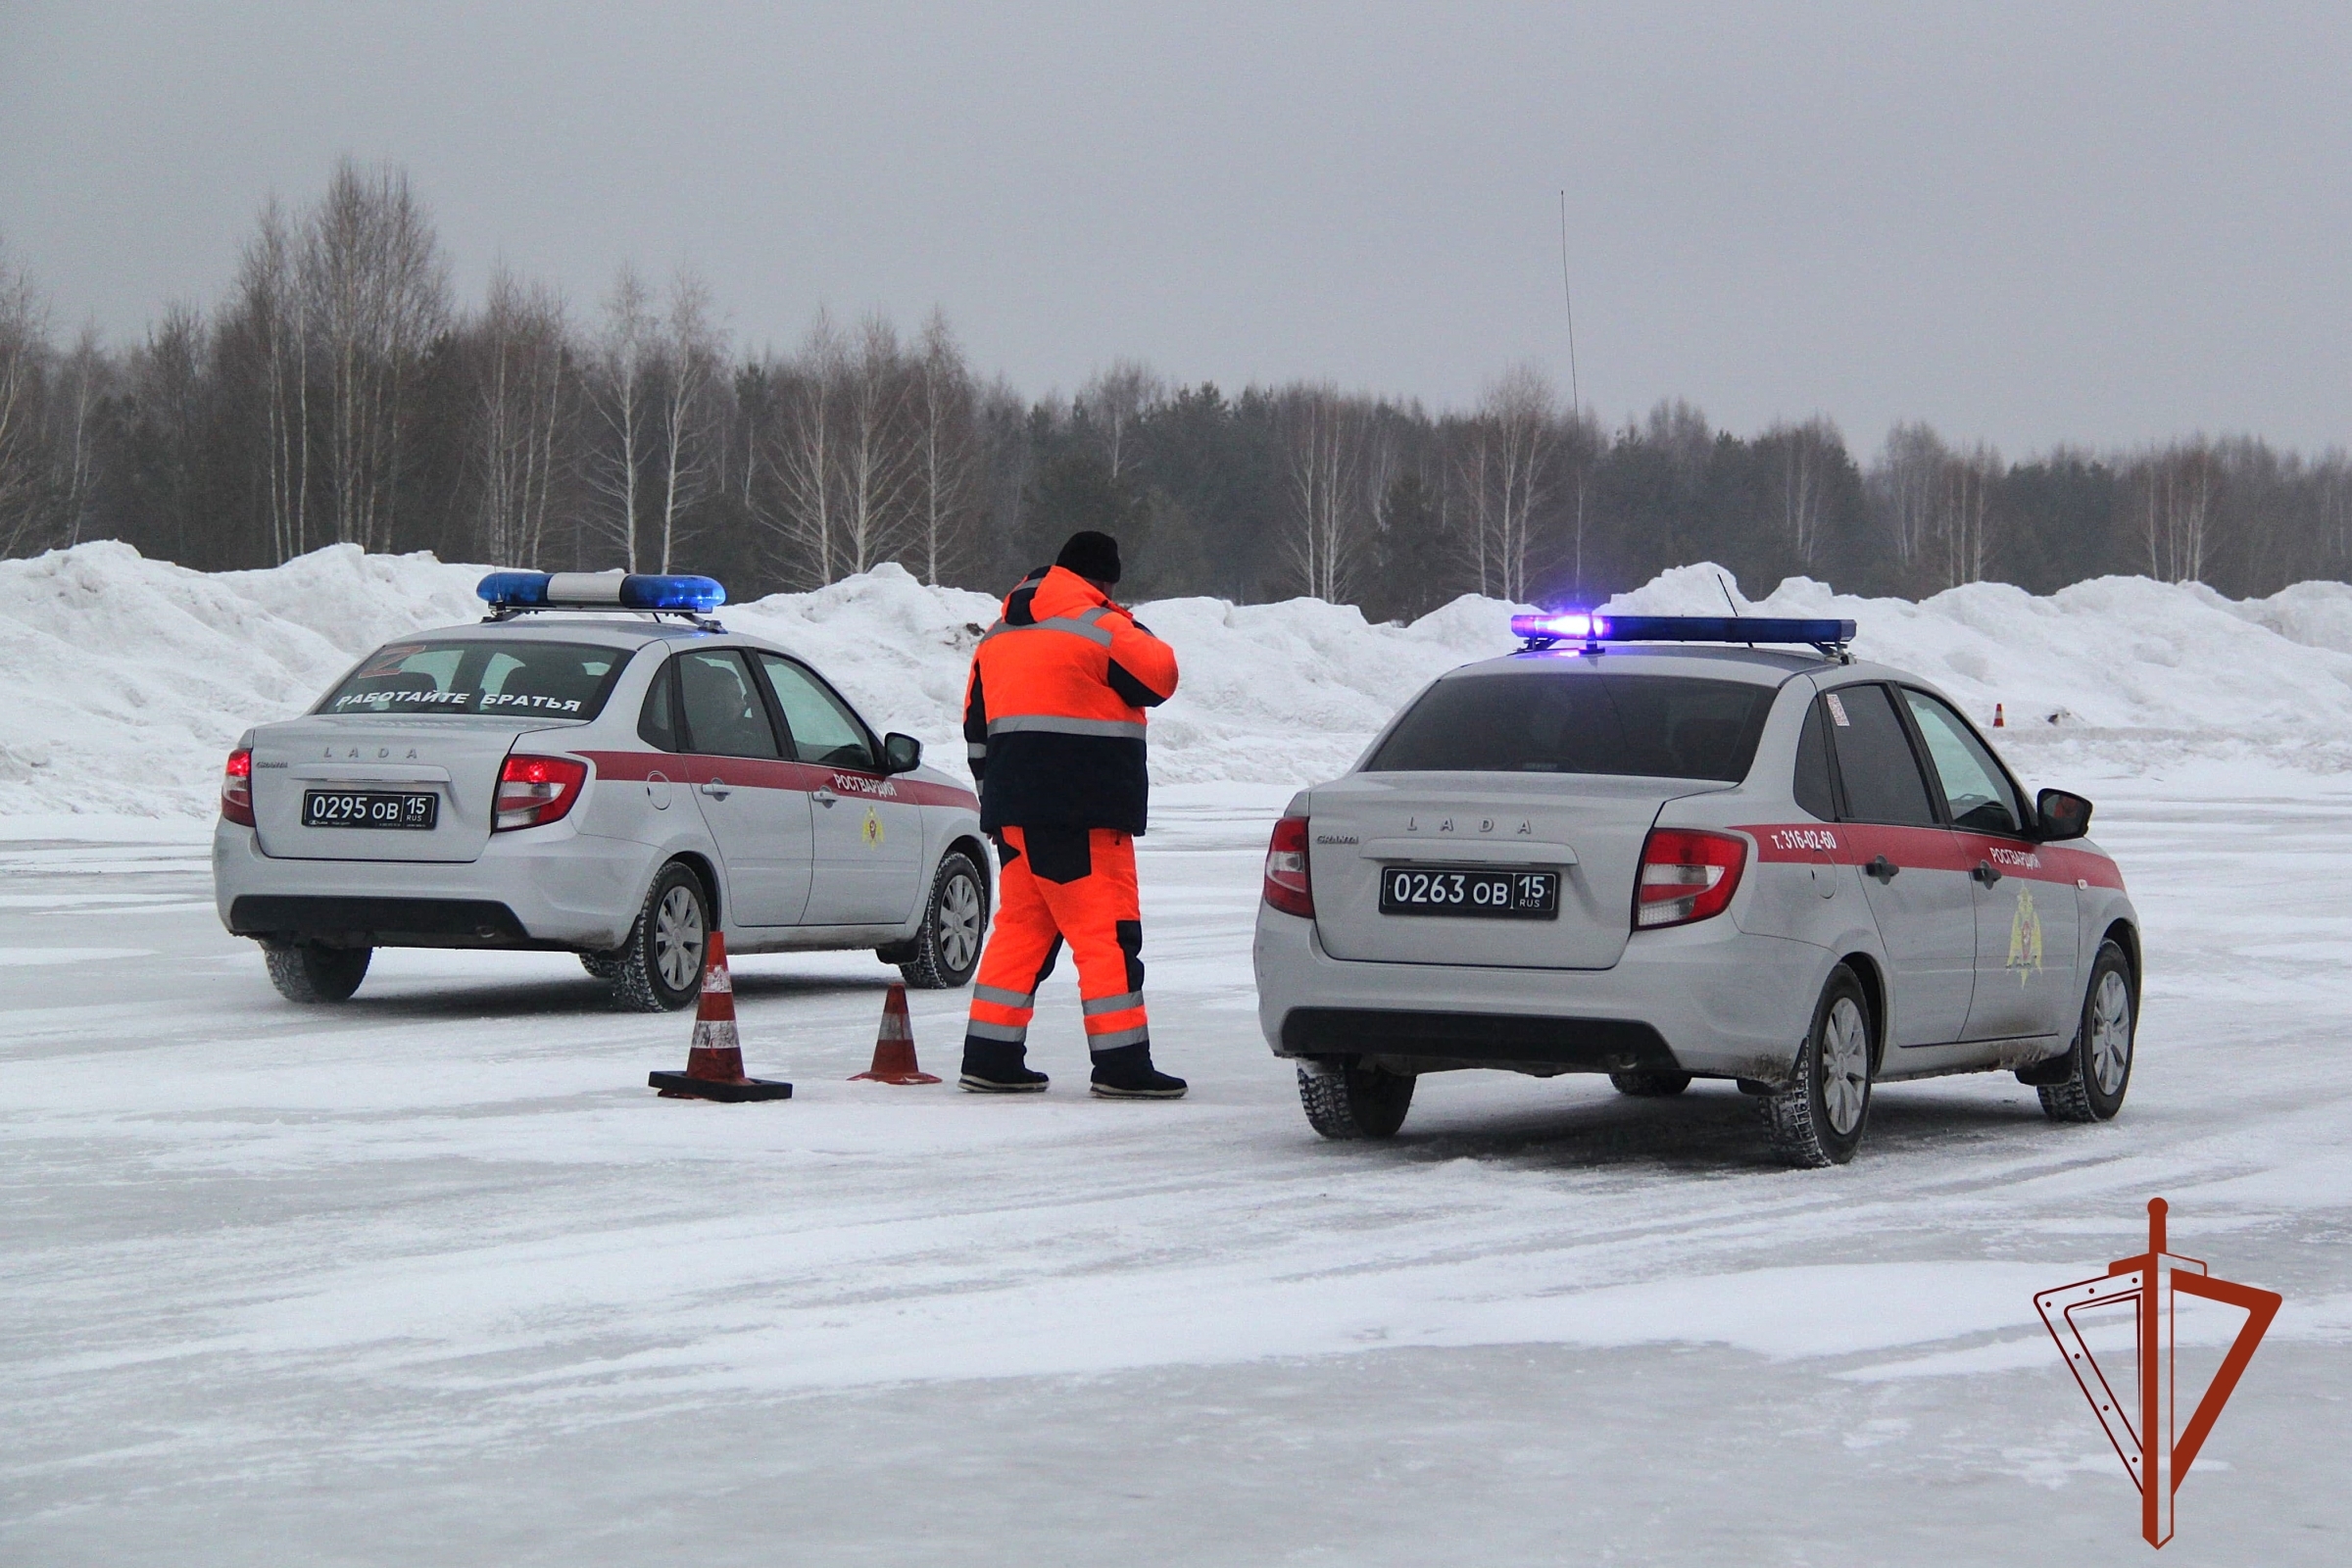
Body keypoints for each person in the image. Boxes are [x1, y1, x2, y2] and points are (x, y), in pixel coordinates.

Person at [957, 529, 1185, 1098]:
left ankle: (990, 1055)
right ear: (1103, 582)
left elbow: (975, 730)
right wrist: (1119, 615)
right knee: (1106, 937)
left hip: (1013, 815)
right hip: (1085, 813)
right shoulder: (1102, 628)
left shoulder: (998, 636)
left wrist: (997, 802)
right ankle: (1122, 1065)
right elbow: (1161, 677)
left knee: (1021, 933)